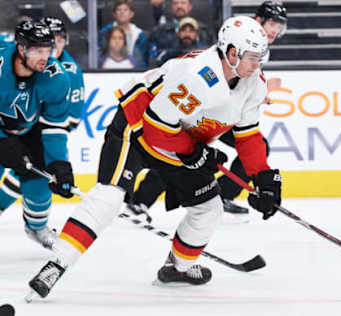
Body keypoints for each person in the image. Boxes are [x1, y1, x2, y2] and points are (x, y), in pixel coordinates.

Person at [28, 15, 282, 299]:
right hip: (137, 127)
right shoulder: (198, 75)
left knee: (209, 209)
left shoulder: (253, 83)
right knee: (110, 197)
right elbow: (157, 129)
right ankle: (57, 263)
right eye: (252, 56)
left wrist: (263, 177)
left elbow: (247, 136)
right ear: (232, 53)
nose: (257, 63)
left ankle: (179, 268)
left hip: (178, 133)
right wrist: (195, 153)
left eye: (261, 56)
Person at [128, 0, 287, 216]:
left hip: (222, 113)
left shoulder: (257, 52)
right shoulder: (238, 39)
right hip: (200, 110)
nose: (276, 31)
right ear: (259, 21)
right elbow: (216, 75)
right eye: (273, 25)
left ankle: (223, 195)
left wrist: (263, 176)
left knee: (245, 146)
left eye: (280, 27)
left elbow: (246, 88)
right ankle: (141, 200)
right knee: (181, 147)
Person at [0, 17, 85, 224]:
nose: (45, 57)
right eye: (38, 51)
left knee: (39, 181)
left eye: (48, 50)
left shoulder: (56, 77)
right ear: (21, 49)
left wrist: (58, 162)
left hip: (28, 130)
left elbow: (54, 126)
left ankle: (37, 228)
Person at [147, 0, 215, 67]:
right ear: (171, 7)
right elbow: (152, 58)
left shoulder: (205, 31)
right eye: (175, 3)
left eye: (183, 3)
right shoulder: (159, 31)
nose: (179, 6)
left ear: (190, 6)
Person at [98, 0, 147, 67]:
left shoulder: (139, 35)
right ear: (114, 14)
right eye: (119, 9)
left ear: (131, 14)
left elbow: (143, 59)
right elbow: (100, 53)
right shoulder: (105, 31)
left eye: (125, 10)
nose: (122, 12)